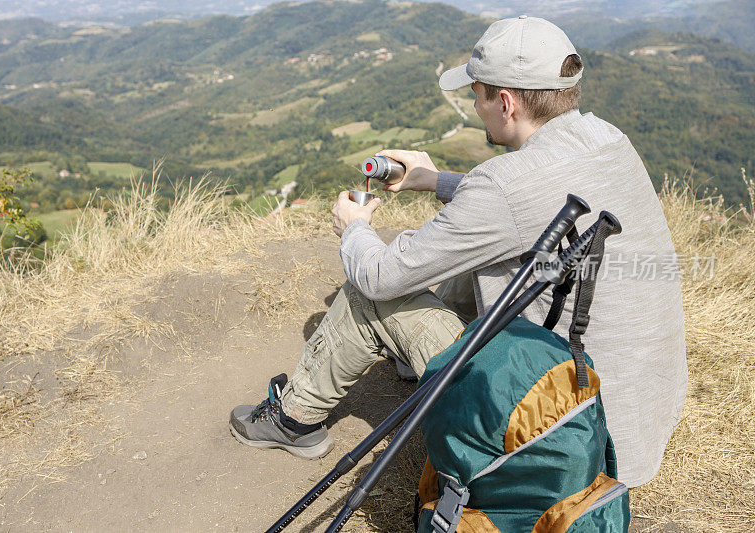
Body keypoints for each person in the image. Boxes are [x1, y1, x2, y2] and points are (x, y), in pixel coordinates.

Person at [230, 15, 687, 487]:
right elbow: (529, 207)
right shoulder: (608, 139)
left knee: (368, 292)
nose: (475, 106)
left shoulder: (504, 186)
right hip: (631, 422)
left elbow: (381, 275)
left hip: (555, 433)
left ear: (505, 102)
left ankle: (292, 420)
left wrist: (353, 229)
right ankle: (417, 358)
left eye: (477, 94)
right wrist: (436, 181)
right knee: (475, 255)